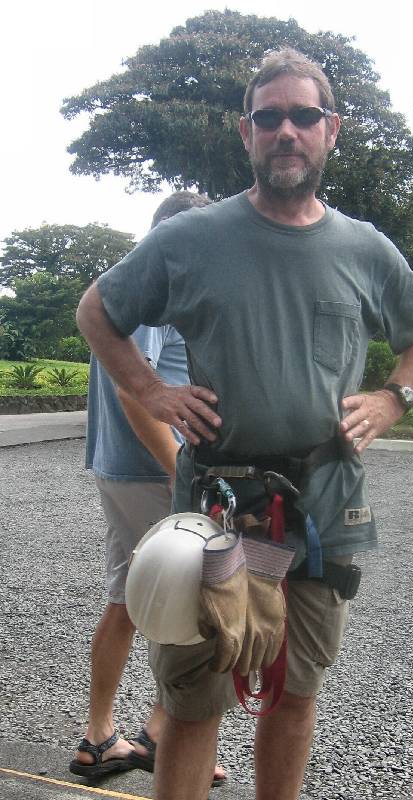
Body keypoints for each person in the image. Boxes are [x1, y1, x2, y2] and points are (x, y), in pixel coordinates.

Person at [76, 49, 413, 800]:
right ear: (245, 132)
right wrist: (148, 389)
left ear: (330, 130)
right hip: (213, 509)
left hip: (319, 510)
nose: (287, 130)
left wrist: (393, 398)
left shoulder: (363, 247)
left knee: (293, 693)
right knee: (193, 700)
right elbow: (97, 310)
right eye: (269, 117)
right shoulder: (190, 239)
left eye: (303, 116)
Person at [69, 191, 226, 787]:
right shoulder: (159, 288)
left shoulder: (127, 287)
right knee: (194, 603)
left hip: (118, 468)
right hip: (153, 470)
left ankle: (101, 737)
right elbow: (139, 391)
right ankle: (176, 735)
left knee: (130, 597)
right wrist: (179, 472)